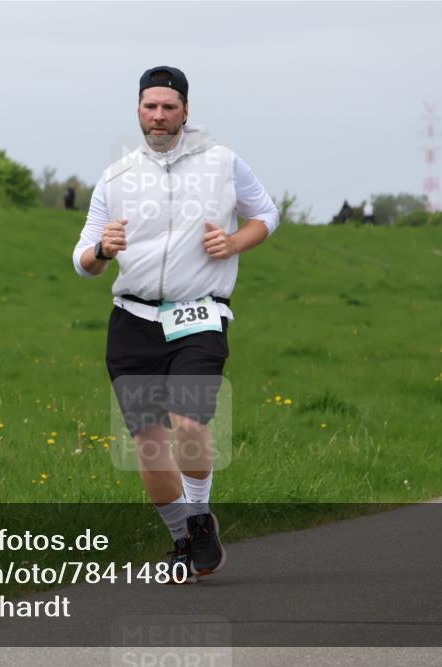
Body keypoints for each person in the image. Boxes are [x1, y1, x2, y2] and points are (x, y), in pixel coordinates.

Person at [71, 66, 279, 583]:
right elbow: (82, 259)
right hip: (132, 320)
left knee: (189, 423)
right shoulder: (117, 177)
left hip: (198, 314)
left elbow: (266, 215)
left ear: (185, 109)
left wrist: (234, 243)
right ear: (138, 110)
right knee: (147, 442)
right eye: (149, 106)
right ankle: (183, 540)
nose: (158, 116)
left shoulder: (223, 163)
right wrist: (101, 251)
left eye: (168, 106)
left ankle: (201, 513)